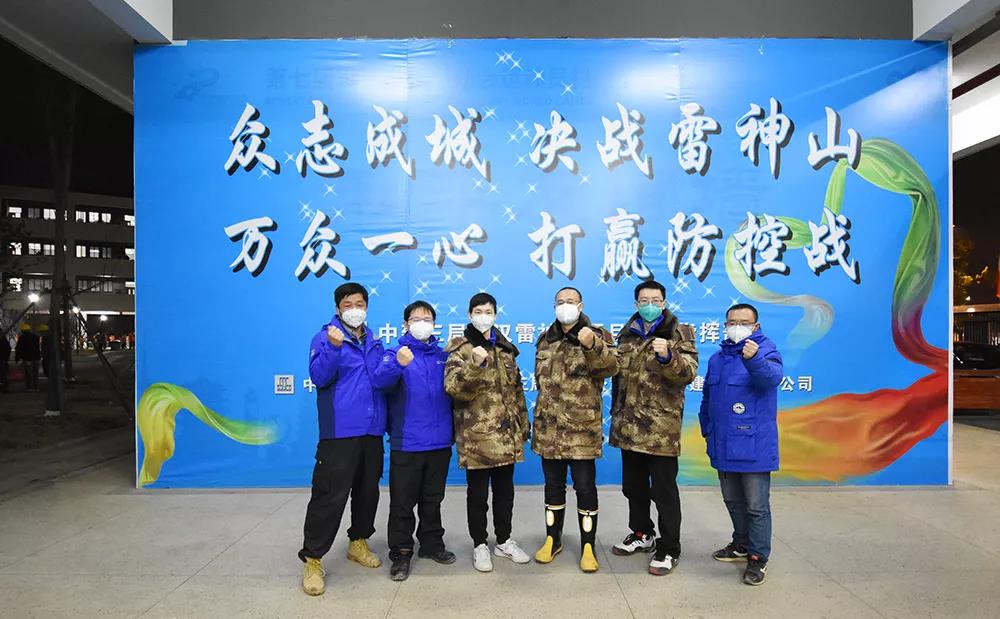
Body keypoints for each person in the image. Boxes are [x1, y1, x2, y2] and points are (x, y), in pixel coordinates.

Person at [299, 283, 387, 596]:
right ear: (338, 308)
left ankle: (358, 542)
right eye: (347, 304)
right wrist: (334, 349)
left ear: (366, 307)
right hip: (339, 432)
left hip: (372, 430)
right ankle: (313, 559)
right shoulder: (325, 338)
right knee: (329, 496)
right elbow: (319, 377)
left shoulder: (374, 341)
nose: (354, 309)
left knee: (367, 492)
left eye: (359, 303)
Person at [609, 280, 698, 576]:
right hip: (629, 427)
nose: (650, 305)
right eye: (644, 300)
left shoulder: (678, 333)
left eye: (655, 300)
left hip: (661, 430)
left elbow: (688, 373)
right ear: (637, 304)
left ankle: (669, 547)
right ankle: (642, 533)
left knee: (664, 492)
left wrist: (668, 358)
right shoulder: (626, 333)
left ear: (663, 303)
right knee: (633, 487)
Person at [531, 286, 618, 572]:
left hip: (582, 431)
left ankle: (588, 546)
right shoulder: (546, 339)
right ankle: (552, 539)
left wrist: (592, 346)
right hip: (550, 432)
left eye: (570, 301)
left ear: (581, 306)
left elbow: (611, 368)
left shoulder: (598, 335)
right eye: (560, 301)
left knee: (585, 488)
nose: (565, 305)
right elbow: (541, 383)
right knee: (553, 487)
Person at [444, 292, 531, 572]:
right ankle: (479, 544)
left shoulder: (505, 349)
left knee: (505, 493)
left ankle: (503, 540)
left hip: (506, 436)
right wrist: (474, 365)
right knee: (478, 495)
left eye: (488, 311)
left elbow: (517, 392)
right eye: (478, 311)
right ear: (470, 315)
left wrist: (523, 425)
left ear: (495, 314)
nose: (484, 316)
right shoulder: (460, 349)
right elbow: (454, 389)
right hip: (477, 437)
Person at [372, 300, 456, 581]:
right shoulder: (395, 353)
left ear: (434, 324)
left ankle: (431, 544)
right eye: (416, 319)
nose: (422, 323)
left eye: (427, 319)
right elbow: (380, 382)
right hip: (407, 441)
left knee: (433, 499)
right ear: (406, 324)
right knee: (402, 502)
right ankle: (401, 552)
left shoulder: (443, 355)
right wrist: (398, 364)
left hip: (440, 441)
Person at [699, 303, 782, 586]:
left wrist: (754, 359)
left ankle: (758, 558)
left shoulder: (765, 351)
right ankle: (741, 544)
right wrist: (707, 428)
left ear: (756, 327)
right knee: (733, 500)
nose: (737, 327)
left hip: (753, 445)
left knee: (757, 506)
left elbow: (771, 379)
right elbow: (708, 398)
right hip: (722, 443)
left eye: (744, 322)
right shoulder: (717, 359)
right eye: (732, 322)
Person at [14, 324, 41, 392]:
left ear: (23, 331)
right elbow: (38, 347)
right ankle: (36, 387)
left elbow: (19, 349)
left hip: (27, 358)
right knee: (35, 374)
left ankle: (30, 388)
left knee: (29, 374)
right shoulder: (36, 337)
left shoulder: (22, 338)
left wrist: (17, 358)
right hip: (36, 358)